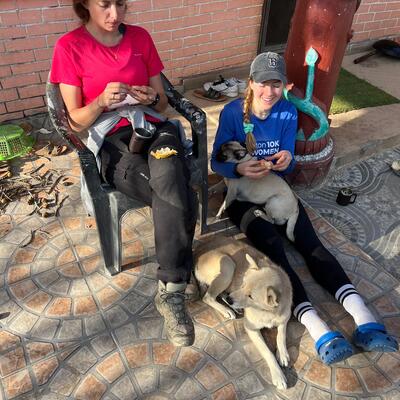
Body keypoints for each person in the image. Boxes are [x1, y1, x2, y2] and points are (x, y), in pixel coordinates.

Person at [211, 52, 398, 364]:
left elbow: (287, 161)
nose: (270, 91)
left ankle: (365, 319)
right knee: (275, 254)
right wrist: (238, 169)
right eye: (263, 83)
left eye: (276, 84)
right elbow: (216, 161)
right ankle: (318, 329)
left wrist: (286, 160)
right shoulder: (232, 112)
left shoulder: (287, 111)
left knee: (312, 245)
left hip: (275, 189)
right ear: (251, 83)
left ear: (285, 86)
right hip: (242, 198)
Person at [50, 0, 197, 347]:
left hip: (154, 128)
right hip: (112, 140)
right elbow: (74, 122)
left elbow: (163, 102)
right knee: (177, 191)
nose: (114, 14)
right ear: (85, 4)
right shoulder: (69, 47)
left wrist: (150, 98)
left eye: (120, 4)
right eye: (104, 5)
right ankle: (177, 281)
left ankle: (171, 291)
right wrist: (100, 101)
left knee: (169, 175)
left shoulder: (140, 38)